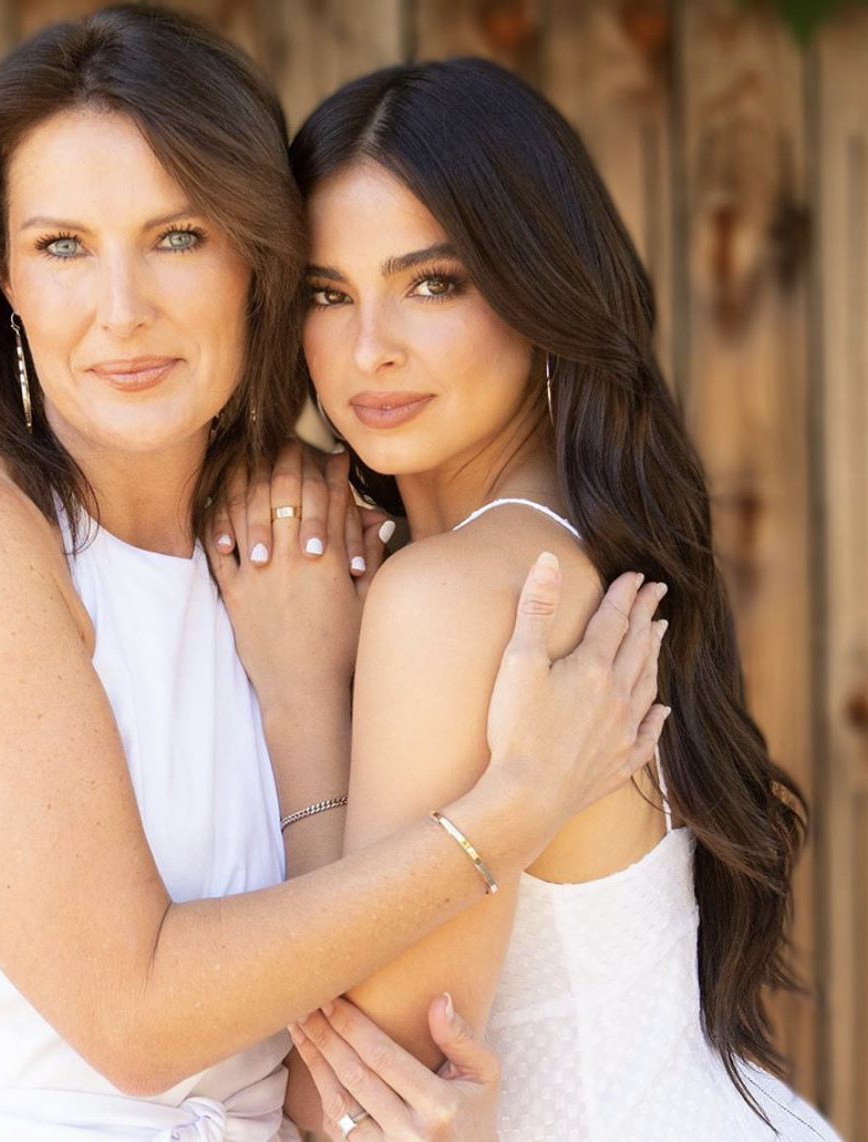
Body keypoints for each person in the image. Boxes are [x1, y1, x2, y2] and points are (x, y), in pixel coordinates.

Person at [0, 10, 667, 1142]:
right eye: (62, 247)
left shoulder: (307, 552)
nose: (122, 311)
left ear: (256, 260)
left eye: (176, 236)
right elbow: (136, 1017)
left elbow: (343, 1049)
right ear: (5, 279)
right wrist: (509, 815)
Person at [228, 57, 840, 1140]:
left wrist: (297, 691)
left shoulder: (462, 595)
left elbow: (352, 1107)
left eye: (434, 283)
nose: (370, 348)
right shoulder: (575, 535)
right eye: (328, 294)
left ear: (538, 287)